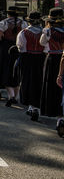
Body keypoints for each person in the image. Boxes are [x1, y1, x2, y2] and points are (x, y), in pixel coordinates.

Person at [0, 6, 28, 107]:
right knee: (16, 71)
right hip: (19, 48)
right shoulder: (23, 23)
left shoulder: (3, 23)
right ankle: (16, 96)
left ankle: (11, 96)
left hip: (6, 49)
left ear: (8, 13)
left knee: (6, 70)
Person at [40, 7, 64, 136]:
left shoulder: (49, 31)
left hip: (53, 59)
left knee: (53, 87)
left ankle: (58, 117)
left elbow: (42, 42)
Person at [16, 11, 44, 121]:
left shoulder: (23, 32)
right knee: (40, 81)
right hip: (41, 58)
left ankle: (31, 105)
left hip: (27, 58)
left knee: (28, 81)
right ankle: (37, 105)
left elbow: (20, 47)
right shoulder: (44, 32)